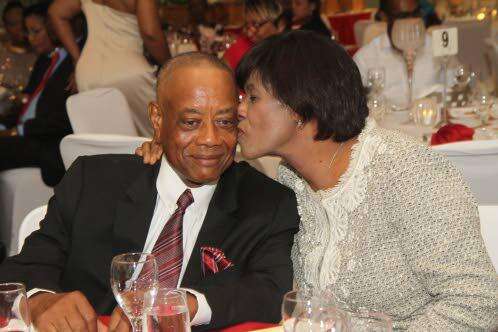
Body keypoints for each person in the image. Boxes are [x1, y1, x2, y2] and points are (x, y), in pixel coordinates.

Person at [138, 31, 498, 330]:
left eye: (253, 97)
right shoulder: (289, 184)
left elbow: (478, 304)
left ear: (298, 106)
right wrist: (167, 152)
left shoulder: (406, 172)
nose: (239, 110)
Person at [0, 52, 299, 331]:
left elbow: (271, 291)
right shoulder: (93, 182)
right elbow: (23, 267)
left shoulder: (266, 203)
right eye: (191, 122)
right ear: (157, 120)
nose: (211, 139)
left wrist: (184, 304)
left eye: (224, 121)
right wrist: (40, 300)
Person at [49, 0, 170, 137]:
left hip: (88, 73)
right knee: (159, 137)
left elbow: (56, 12)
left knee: (105, 148)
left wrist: (77, 60)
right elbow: (150, 33)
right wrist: (172, 66)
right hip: (129, 73)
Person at [0, 2, 81, 186]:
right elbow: (26, 103)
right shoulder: (46, 61)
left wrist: (17, 131)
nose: (30, 38)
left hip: (47, 143)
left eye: (36, 31)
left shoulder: (76, 62)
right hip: (28, 133)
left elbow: (63, 119)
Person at [354, 0, 449, 109]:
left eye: (416, 14)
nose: (411, 21)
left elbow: (456, 88)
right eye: (402, 16)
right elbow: (355, 107)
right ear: (384, 16)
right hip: (387, 125)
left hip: (430, 122)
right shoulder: (365, 58)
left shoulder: (436, 47)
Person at [223, 0, 288, 70]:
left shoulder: (291, 52)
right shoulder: (240, 48)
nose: (249, 34)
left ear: (280, 25)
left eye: (256, 25)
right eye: (247, 26)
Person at [0, 1, 36, 113]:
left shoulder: (41, 55)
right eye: (13, 24)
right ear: (5, 26)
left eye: (21, 22)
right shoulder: (2, 51)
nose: (19, 28)